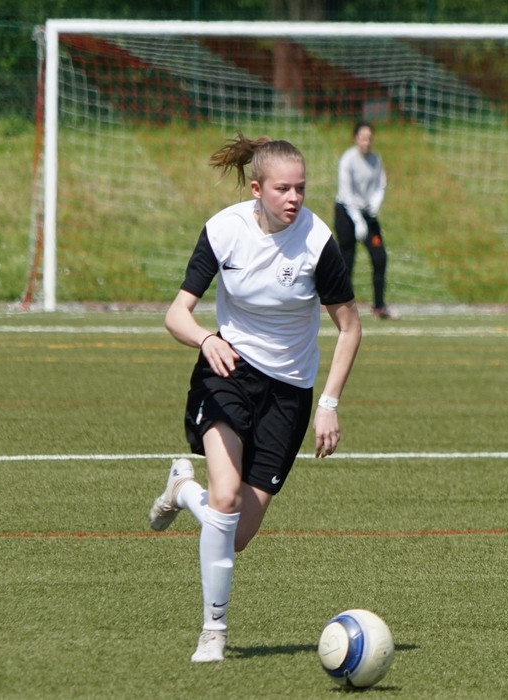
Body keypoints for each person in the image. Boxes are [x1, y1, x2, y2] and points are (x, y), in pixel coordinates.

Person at [148, 132, 362, 663]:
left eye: (301, 188)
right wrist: (207, 339)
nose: (294, 198)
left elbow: (350, 327)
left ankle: (182, 489)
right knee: (225, 498)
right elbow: (176, 314)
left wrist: (329, 404)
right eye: (283, 189)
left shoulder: (318, 242)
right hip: (228, 371)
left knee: (236, 535)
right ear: (256, 189)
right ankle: (213, 631)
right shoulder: (224, 230)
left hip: (289, 394)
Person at [334, 121, 395, 320]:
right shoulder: (348, 160)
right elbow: (346, 193)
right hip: (346, 213)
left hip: (367, 214)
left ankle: (379, 306)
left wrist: (375, 205)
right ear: (355, 138)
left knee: (379, 256)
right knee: (347, 259)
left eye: (369, 138)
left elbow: (380, 185)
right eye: (362, 138)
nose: (366, 142)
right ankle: (343, 306)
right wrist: (357, 220)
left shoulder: (376, 160)